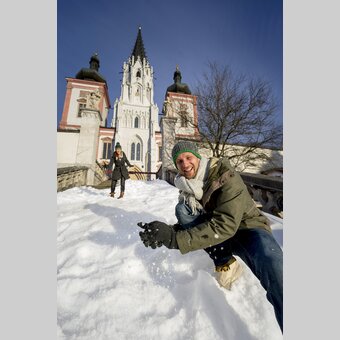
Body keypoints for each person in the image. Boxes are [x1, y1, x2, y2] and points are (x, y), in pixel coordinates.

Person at [138, 141, 283, 332]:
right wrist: (167, 232)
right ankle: (225, 262)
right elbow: (197, 223)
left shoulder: (226, 176)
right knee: (183, 209)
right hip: (220, 232)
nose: (185, 164)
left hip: (248, 229)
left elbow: (226, 224)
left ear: (198, 157)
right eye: (179, 161)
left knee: (273, 266)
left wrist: (175, 239)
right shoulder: (186, 186)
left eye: (188, 157)